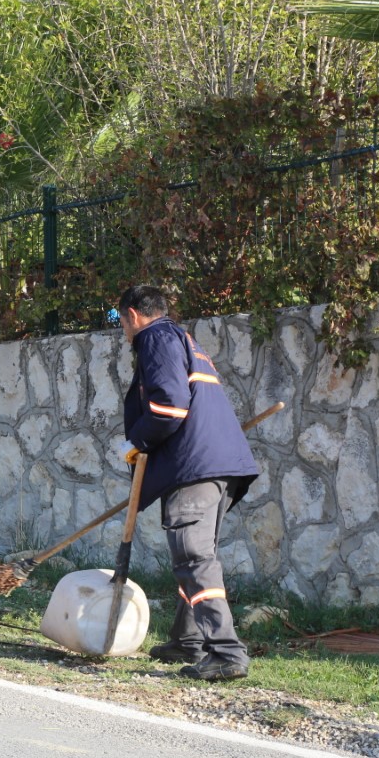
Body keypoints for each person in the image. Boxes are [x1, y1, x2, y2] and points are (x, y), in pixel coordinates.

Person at [115, 284, 259, 682]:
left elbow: (169, 405)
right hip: (218, 463)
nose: (123, 331)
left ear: (132, 314)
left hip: (194, 466)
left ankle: (226, 652)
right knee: (195, 556)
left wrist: (137, 440)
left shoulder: (154, 338)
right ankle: (186, 640)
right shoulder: (184, 339)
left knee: (193, 556)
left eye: (121, 322)